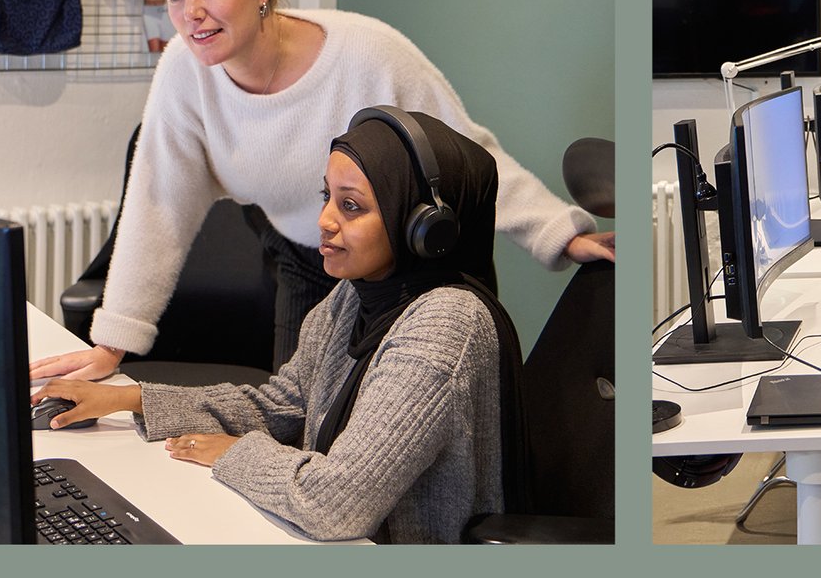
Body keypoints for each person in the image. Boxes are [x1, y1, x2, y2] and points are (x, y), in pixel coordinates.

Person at [30, 0, 613, 380]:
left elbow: (465, 152)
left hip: (405, 267)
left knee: (390, 442)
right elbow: (159, 201)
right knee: (301, 413)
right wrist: (114, 343)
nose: (191, 14)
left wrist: (557, 232)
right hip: (308, 257)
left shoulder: (366, 53)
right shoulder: (185, 71)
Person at [32, 109, 527, 544]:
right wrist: (132, 398)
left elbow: (335, 503)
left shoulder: (446, 325)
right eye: (327, 196)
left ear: (424, 228)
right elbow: (283, 406)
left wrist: (234, 454)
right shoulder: (356, 295)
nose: (325, 221)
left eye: (351, 206)